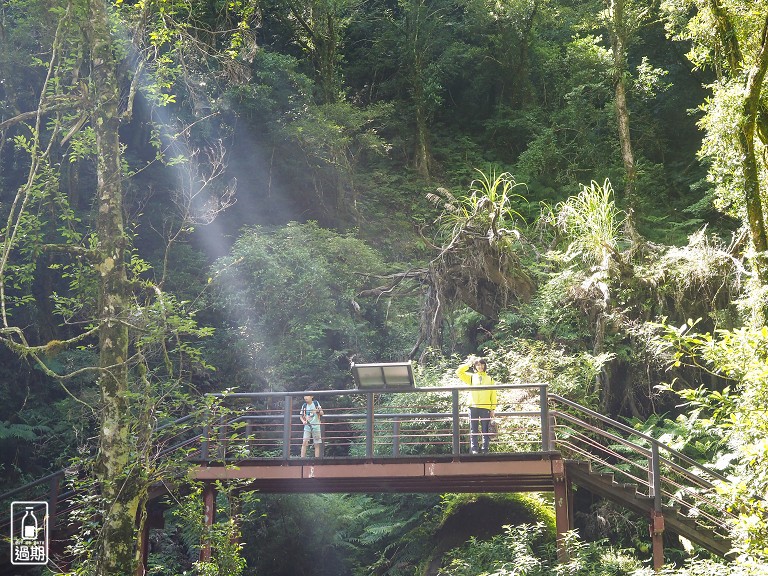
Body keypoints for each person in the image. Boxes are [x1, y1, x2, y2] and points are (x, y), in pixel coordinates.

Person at [456, 356, 497, 454]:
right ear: (475, 366)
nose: (480, 366)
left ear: (485, 365)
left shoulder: (490, 379)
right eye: (478, 364)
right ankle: (474, 449)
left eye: (482, 364)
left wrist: (493, 408)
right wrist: (469, 364)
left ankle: (485, 449)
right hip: (473, 406)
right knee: (473, 429)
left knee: (485, 430)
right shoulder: (471, 377)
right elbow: (459, 372)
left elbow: (493, 394)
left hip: (485, 407)